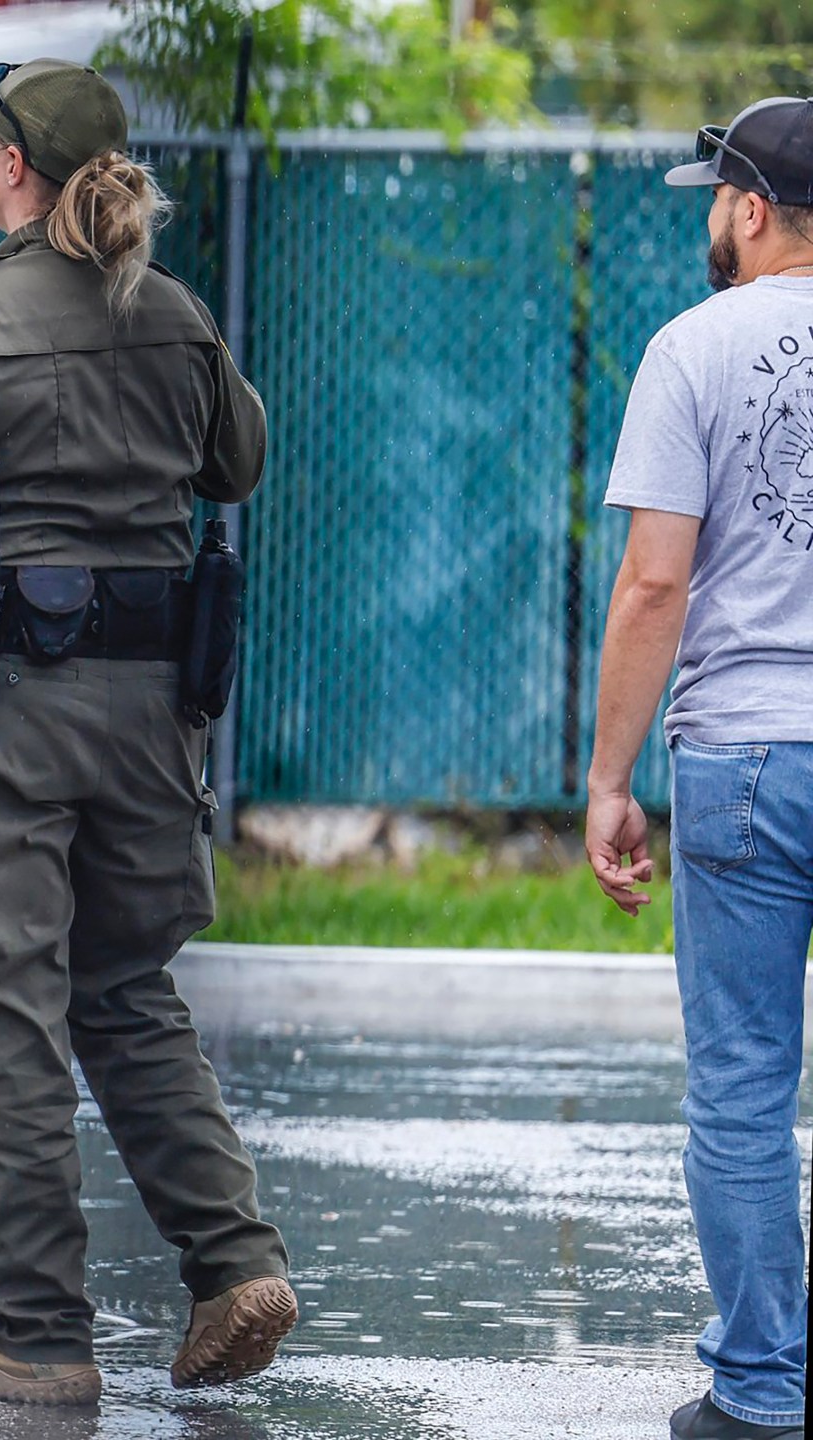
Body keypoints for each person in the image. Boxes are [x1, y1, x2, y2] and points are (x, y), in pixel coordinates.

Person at [0, 60, 295, 1405]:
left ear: (16, 169)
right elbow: (238, 462)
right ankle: (233, 1262)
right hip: (152, 719)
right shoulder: (173, 312)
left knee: (1, 1007)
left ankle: (35, 1332)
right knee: (128, 994)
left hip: (3, 715)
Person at [585, 96, 813, 1440]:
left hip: (743, 755)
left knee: (741, 1085)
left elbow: (654, 581)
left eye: (712, 204)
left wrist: (611, 777)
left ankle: (763, 1393)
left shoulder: (692, 348)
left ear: (745, 208)